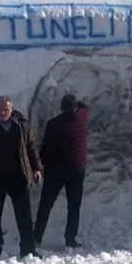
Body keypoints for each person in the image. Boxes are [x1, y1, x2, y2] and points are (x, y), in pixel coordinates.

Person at [0, 96, 43, 259]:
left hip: (18, 176)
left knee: (24, 215)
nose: (2, 112)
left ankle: (28, 249)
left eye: (5, 109)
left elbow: (31, 147)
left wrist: (37, 167)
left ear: (12, 109)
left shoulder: (22, 125)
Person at [34, 94, 90, 249]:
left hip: (55, 171)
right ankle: (70, 239)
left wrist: (40, 165)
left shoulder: (54, 123)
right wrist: (78, 102)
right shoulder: (82, 117)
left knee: (45, 206)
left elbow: (46, 147)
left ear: (61, 108)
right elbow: (86, 107)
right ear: (75, 108)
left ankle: (37, 238)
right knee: (73, 206)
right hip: (77, 170)